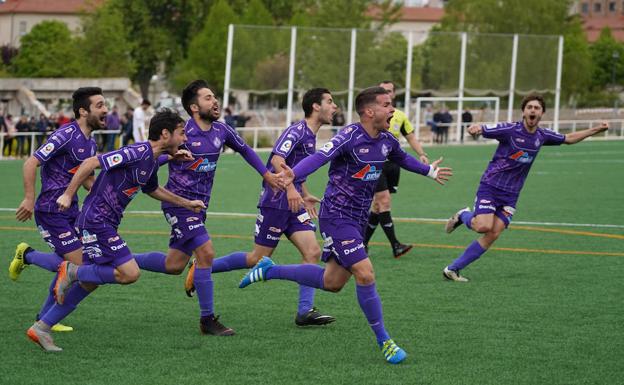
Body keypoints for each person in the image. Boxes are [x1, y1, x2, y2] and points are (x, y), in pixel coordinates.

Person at [238, 86, 452, 364]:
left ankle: (270, 270)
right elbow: (319, 157)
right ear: (369, 111)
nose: (393, 111)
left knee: (333, 282)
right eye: (387, 105)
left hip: (358, 219)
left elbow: (403, 159)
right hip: (337, 216)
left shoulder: (386, 139)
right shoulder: (349, 136)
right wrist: (293, 176)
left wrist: (430, 171)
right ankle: (384, 341)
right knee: (365, 274)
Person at [26, 109, 205, 352]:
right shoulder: (137, 151)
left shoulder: (150, 160)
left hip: (103, 221)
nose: (185, 139)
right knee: (130, 273)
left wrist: (186, 203)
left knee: (90, 283)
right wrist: (68, 194)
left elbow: (153, 189)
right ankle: (72, 271)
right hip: (97, 221)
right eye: (181, 133)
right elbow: (90, 163)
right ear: (165, 134)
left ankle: (42, 327)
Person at [131, 80, 284, 336]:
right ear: (193, 107)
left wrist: (267, 175)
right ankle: (207, 320)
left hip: (199, 208)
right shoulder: (183, 133)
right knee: (207, 253)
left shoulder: (222, 130)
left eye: (215, 97)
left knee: (174, 265)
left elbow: (246, 150)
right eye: (208, 98)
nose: (215, 102)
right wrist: (164, 161)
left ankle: (122, 259)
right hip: (178, 205)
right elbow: (153, 157)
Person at [185, 88, 337, 326]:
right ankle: (204, 267)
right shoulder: (297, 130)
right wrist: (289, 189)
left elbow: (294, 168)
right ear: (316, 106)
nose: (335, 106)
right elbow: (277, 159)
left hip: (294, 205)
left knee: (312, 252)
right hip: (276, 202)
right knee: (257, 257)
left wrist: (304, 193)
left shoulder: (310, 135)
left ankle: (305, 311)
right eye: (330, 101)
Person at [442, 94, 609, 282]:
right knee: (483, 226)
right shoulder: (510, 130)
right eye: (529, 107)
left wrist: (596, 130)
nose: (532, 110)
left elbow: (568, 138)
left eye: (537, 108)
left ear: (542, 114)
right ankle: (463, 215)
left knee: (493, 233)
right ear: (523, 111)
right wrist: (476, 128)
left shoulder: (542, 136)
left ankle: (453, 269)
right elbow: (485, 128)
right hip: (491, 186)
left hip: (511, 194)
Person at [10, 87, 106, 333]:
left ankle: (47, 316)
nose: (106, 110)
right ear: (83, 111)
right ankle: (28, 255)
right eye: (100, 105)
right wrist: (29, 198)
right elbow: (31, 162)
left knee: (73, 264)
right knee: (81, 266)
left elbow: (86, 180)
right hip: (51, 211)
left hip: (71, 211)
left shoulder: (90, 143)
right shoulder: (65, 135)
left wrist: (108, 196)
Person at [363, 80, 429, 258]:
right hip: (376, 163)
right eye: (383, 90)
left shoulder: (400, 116)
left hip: (394, 164)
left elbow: (411, 137)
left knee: (378, 206)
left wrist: (421, 154)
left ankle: (362, 243)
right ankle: (396, 245)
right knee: (383, 202)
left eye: (389, 91)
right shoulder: (371, 114)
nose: (387, 93)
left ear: (393, 94)